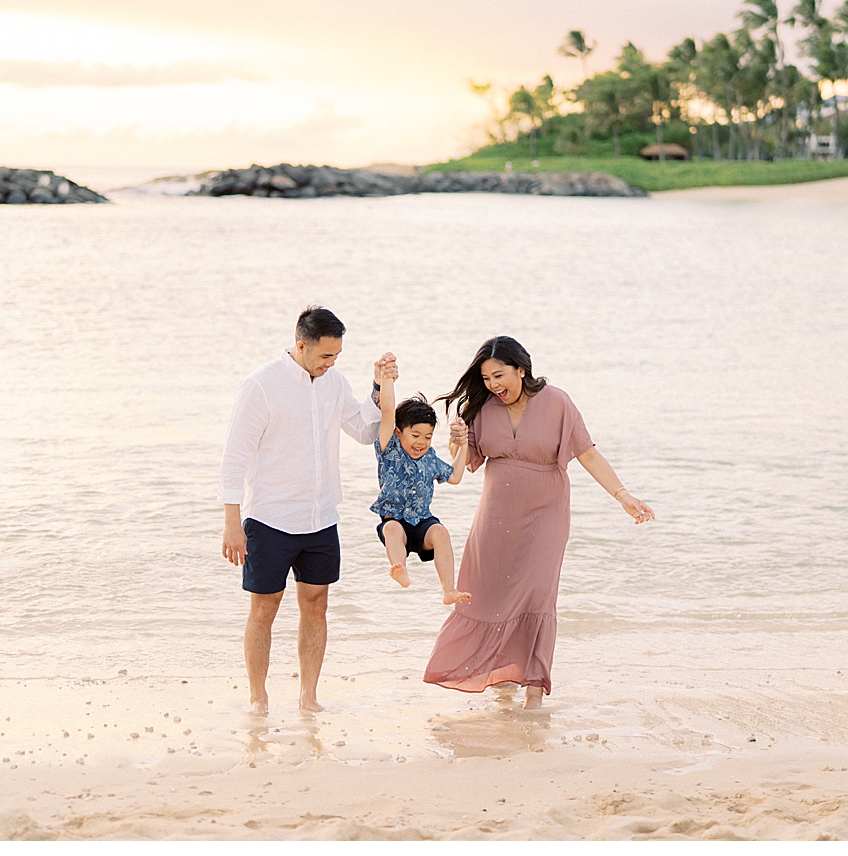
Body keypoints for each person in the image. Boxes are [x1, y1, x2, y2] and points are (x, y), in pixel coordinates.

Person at [424, 335, 654, 709]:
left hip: (546, 514)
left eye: (500, 375)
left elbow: (588, 454)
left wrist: (622, 495)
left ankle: (533, 688)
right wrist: (456, 442)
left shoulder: (557, 402)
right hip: (495, 516)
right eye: (486, 379)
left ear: (521, 369)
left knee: (537, 596)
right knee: (490, 595)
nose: (494, 385)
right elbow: (462, 466)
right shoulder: (481, 410)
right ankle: (500, 675)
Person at [219, 306, 397, 715]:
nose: (331, 363)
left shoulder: (334, 382)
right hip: (269, 519)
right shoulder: (261, 385)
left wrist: (379, 386)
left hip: (321, 518)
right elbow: (234, 456)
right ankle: (258, 698)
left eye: (337, 356)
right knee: (264, 608)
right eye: (324, 356)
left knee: (317, 605)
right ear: (301, 345)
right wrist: (232, 522)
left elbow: (365, 430)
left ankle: (308, 697)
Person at [371, 367, 471, 605]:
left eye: (427, 437)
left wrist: (463, 444)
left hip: (422, 523)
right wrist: (387, 380)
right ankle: (400, 568)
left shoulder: (430, 459)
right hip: (394, 521)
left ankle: (448, 589)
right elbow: (387, 412)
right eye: (415, 435)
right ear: (398, 432)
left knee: (441, 533)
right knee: (393, 530)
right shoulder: (389, 450)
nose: (421, 442)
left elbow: (455, 476)